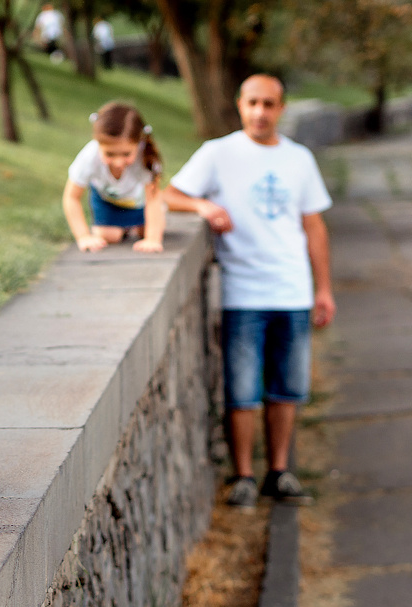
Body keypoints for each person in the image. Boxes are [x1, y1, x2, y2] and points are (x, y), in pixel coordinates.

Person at [163, 74, 335, 509]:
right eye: (253, 103)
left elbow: (314, 227)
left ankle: (279, 472)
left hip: (293, 291)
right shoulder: (219, 154)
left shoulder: (299, 159)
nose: (260, 112)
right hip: (243, 293)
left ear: (281, 108)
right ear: (240, 105)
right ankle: (243, 475)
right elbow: (169, 194)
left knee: (287, 388)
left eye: (270, 104)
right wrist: (203, 205)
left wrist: (324, 289)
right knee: (242, 391)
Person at [63, 101, 165, 253]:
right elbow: (71, 198)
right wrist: (83, 236)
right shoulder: (89, 157)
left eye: (126, 154)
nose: (118, 162)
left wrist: (153, 239)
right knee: (108, 236)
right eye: (110, 154)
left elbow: (153, 200)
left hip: (138, 202)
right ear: (98, 143)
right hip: (106, 201)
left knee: (148, 230)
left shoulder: (146, 158)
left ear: (139, 143)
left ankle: (134, 226)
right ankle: (121, 228)